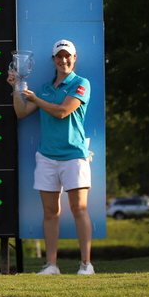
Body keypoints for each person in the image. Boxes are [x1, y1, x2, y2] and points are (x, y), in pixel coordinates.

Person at [8, 39, 94, 275]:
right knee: (50, 212)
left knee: (79, 209)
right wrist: (17, 87)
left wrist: (36, 99)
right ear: (53, 60)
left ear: (74, 59)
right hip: (47, 156)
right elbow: (22, 112)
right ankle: (51, 265)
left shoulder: (81, 83)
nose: (63, 60)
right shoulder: (46, 87)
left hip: (75, 155)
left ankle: (86, 265)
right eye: (59, 56)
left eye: (68, 56)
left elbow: (63, 111)